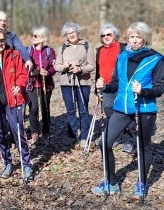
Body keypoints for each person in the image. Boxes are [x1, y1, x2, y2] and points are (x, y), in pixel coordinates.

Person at [92, 22, 164, 199]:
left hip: (144, 108)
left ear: (145, 38)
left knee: (143, 146)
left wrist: (143, 91)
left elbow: (159, 88)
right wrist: (104, 87)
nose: (134, 40)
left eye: (138, 36)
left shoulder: (156, 59)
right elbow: (116, 83)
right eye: (131, 36)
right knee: (104, 143)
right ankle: (112, 181)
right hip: (121, 108)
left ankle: (141, 182)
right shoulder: (122, 56)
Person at [0, 28, 33, 181]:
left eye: (2, 40)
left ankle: (27, 164)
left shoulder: (15, 55)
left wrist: (20, 86)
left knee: (18, 132)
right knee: (1, 134)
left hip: (14, 100)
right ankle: (7, 162)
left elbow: (23, 74)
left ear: (6, 40)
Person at [54, 22, 96, 148]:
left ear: (77, 32)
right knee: (70, 111)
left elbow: (92, 65)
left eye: (73, 32)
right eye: (68, 33)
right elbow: (56, 66)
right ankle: (72, 135)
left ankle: (84, 136)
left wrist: (80, 69)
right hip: (67, 83)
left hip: (83, 83)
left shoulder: (87, 46)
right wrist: (64, 66)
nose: (71, 35)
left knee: (83, 110)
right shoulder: (62, 47)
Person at [95, 23, 135, 153]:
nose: (105, 37)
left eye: (108, 34)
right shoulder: (99, 50)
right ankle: (116, 136)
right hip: (106, 87)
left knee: (125, 113)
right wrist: (97, 87)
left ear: (114, 35)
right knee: (109, 112)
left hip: (121, 86)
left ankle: (130, 141)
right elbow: (98, 70)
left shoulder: (123, 48)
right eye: (103, 35)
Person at [27, 26, 56, 142]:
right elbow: (24, 67)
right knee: (34, 108)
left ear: (43, 38)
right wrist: (34, 71)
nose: (33, 38)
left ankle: (46, 131)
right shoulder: (28, 51)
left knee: (45, 107)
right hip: (32, 84)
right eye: (32, 35)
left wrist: (47, 72)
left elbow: (54, 67)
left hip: (46, 84)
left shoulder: (50, 51)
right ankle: (34, 131)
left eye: (36, 36)